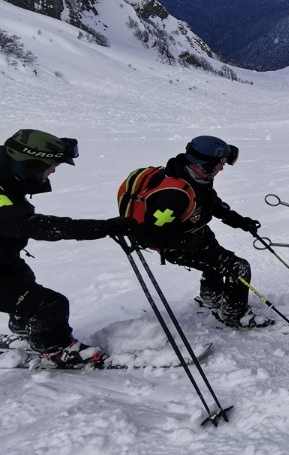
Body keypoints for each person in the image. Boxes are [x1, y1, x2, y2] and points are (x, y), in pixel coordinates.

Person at [0, 129, 136, 367]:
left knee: (23, 279)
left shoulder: (7, 172)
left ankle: (28, 330)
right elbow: (36, 227)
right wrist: (101, 227)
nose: (52, 171)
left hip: (3, 256)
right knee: (50, 305)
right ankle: (56, 350)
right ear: (29, 164)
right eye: (50, 166)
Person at [127, 136, 274, 329]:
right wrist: (187, 243)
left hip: (197, 233)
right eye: (220, 164)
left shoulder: (197, 178)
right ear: (204, 164)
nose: (222, 168)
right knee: (238, 268)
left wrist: (239, 221)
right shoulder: (174, 196)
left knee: (215, 264)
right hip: (177, 245)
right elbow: (149, 234)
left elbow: (211, 203)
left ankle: (211, 299)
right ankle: (235, 316)